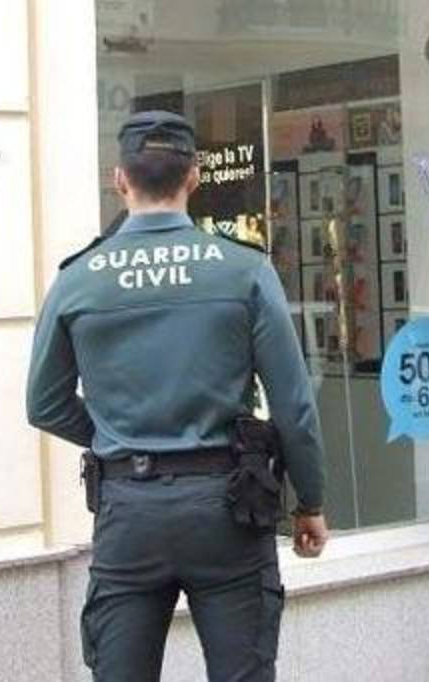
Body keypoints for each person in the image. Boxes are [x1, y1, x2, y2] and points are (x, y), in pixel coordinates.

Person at [26, 110, 329, 681]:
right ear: (194, 177)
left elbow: (43, 403)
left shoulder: (79, 277)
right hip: (228, 509)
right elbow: (293, 405)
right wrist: (309, 501)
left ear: (120, 180)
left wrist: (116, 435)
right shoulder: (245, 271)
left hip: (128, 513)